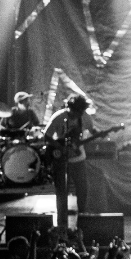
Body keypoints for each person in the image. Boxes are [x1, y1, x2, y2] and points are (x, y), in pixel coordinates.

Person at [44, 95, 94, 236]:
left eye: (80, 112)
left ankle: (82, 223)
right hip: (61, 160)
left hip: (79, 159)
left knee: (82, 189)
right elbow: (47, 136)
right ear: (70, 108)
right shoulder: (59, 117)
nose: (77, 114)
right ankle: (62, 225)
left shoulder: (85, 117)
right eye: (75, 111)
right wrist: (60, 147)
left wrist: (99, 134)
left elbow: (91, 131)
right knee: (61, 192)